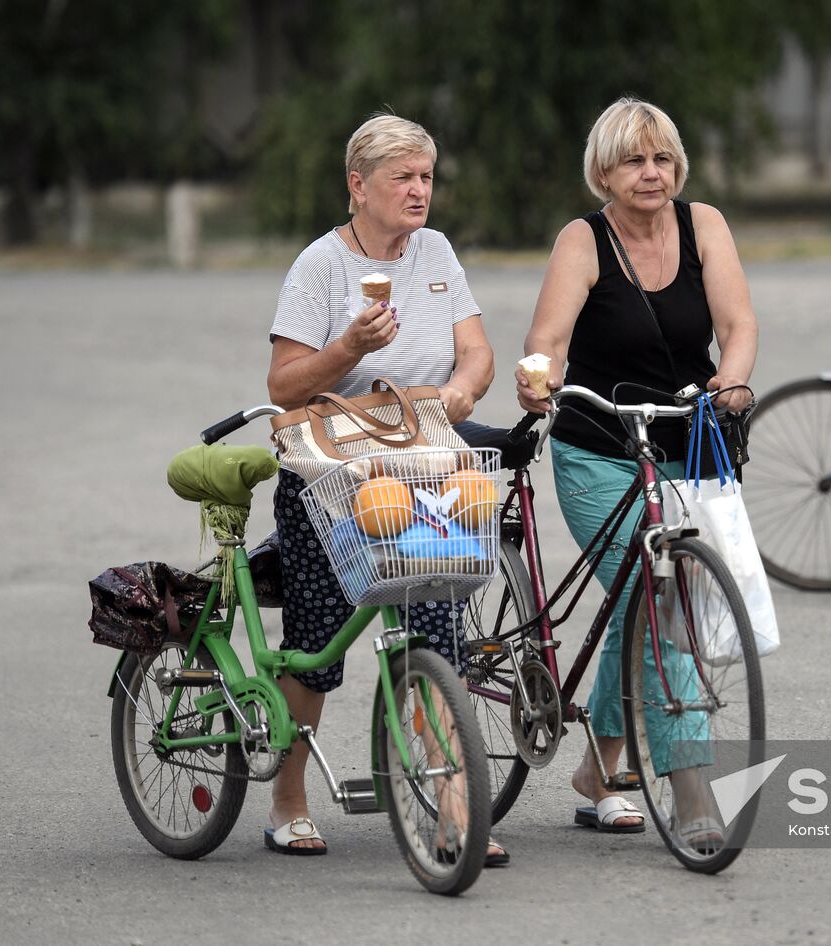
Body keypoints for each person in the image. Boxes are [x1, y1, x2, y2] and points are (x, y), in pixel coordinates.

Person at [264, 112, 508, 862]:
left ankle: (454, 810)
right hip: (332, 473)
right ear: (358, 185)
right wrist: (349, 347)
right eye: (402, 177)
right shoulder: (320, 266)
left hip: (423, 462)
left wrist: (464, 390)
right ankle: (287, 800)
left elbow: (476, 351)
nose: (418, 190)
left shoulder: (436, 251)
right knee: (315, 647)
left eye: (426, 176)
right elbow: (283, 387)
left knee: (437, 634)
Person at [515, 97, 759, 835]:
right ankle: (692, 793)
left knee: (642, 604)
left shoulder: (704, 224)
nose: (651, 173)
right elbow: (548, 341)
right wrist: (541, 380)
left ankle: (598, 768)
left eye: (661, 159)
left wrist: (733, 379)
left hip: (688, 444)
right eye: (633, 161)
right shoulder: (582, 241)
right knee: (660, 606)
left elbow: (737, 325)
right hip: (598, 449)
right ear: (604, 173)